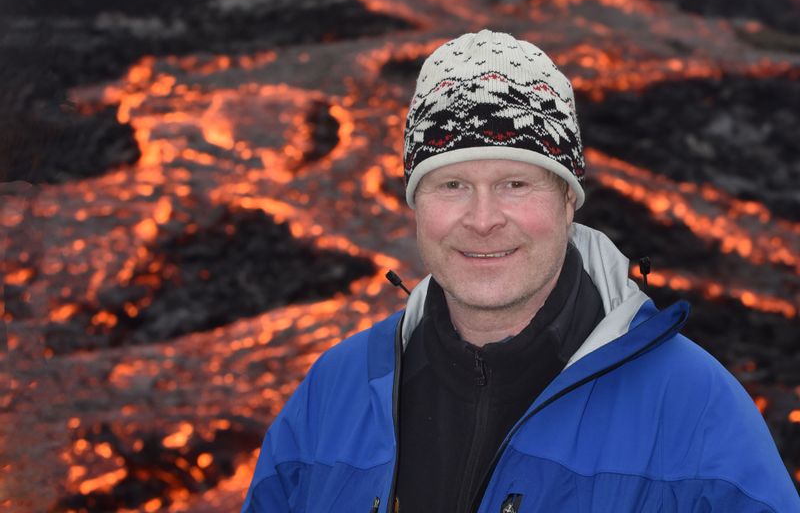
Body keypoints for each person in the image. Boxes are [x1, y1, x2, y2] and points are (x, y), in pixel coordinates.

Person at [242, 30, 800, 512]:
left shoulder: (696, 412)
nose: (483, 221)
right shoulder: (332, 394)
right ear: (415, 205)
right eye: (452, 185)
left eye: (515, 183)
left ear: (567, 200)